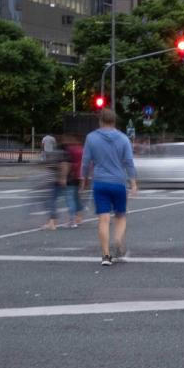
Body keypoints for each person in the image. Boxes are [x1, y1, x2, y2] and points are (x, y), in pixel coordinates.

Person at [81, 108, 138, 266]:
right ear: (114, 121)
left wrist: (83, 179)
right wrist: (133, 183)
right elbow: (129, 162)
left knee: (103, 219)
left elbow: (86, 162)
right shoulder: (123, 139)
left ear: (100, 121)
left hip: (99, 182)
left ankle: (106, 255)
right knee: (120, 216)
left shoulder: (91, 138)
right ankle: (118, 241)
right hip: (118, 182)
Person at [39, 145, 68, 231]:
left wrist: (63, 178)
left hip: (55, 181)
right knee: (51, 201)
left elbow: (63, 165)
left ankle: (52, 222)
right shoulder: (58, 153)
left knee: (51, 201)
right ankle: (52, 221)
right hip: (53, 181)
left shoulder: (59, 154)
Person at [63, 135, 85, 228]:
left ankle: (72, 220)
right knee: (76, 196)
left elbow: (67, 164)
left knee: (70, 198)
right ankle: (79, 216)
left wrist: (63, 177)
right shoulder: (82, 149)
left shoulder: (70, 149)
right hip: (80, 175)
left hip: (71, 175)